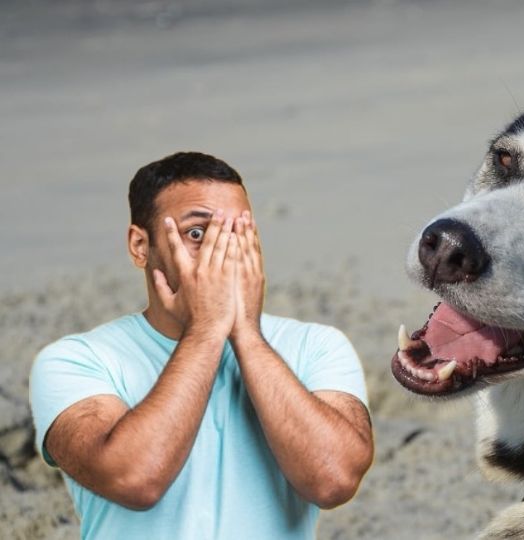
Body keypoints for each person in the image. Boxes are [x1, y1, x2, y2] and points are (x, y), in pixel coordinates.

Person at [29, 152, 373, 539]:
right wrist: (207, 329)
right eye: (198, 234)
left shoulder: (317, 346)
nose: (223, 255)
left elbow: (334, 481)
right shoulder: (75, 360)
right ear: (141, 246)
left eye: (238, 234)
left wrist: (246, 333)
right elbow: (134, 479)